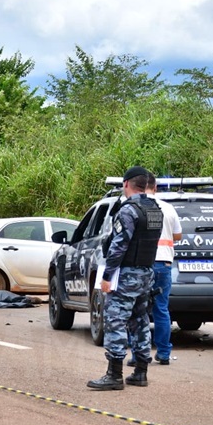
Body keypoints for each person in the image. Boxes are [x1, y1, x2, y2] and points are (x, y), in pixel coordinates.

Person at [88, 166, 163, 390]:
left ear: (127, 184)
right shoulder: (155, 209)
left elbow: (119, 246)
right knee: (140, 321)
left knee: (114, 320)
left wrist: (107, 275)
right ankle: (140, 372)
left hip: (126, 273)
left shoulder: (128, 210)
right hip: (146, 273)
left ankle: (114, 374)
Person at [128, 173, 183, 368]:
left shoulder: (136, 207)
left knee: (137, 308)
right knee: (161, 308)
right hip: (164, 264)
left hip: (142, 263)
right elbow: (178, 235)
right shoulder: (168, 208)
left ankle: (137, 353)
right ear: (156, 188)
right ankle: (164, 353)